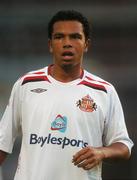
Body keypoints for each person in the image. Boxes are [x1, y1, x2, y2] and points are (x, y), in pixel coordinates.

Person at [0, 10, 133, 180]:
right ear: (50, 44)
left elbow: (124, 147)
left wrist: (102, 152)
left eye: (75, 37)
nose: (67, 43)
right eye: (59, 37)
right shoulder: (26, 85)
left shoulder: (104, 91)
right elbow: (3, 143)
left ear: (86, 44)